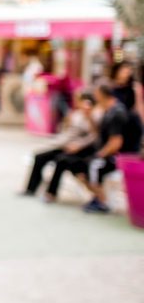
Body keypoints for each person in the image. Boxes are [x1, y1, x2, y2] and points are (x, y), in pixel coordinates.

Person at [45, 81, 126, 213]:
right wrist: (87, 117)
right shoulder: (106, 111)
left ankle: (102, 201)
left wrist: (99, 154)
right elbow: (97, 133)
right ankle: (53, 193)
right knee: (64, 160)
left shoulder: (115, 113)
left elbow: (115, 142)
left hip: (109, 156)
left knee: (91, 165)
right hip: (97, 150)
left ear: (100, 94)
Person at [22, 90, 97, 196]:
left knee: (60, 161)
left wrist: (89, 117)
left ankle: (51, 193)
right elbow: (66, 134)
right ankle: (31, 189)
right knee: (39, 157)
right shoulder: (76, 115)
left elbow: (94, 136)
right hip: (64, 145)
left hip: (78, 149)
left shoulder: (93, 116)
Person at [111, 60, 143, 153]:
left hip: (130, 123)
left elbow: (139, 106)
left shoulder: (135, 87)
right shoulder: (112, 86)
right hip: (116, 122)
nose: (126, 73)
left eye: (128, 70)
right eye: (124, 70)